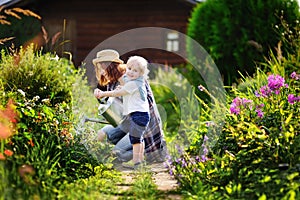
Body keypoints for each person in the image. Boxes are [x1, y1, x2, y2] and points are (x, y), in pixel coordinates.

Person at [92, 49, 167, 166]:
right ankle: (92, 157)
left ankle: (142, 156)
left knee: (116, 152)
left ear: (107, 66)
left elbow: (122, 99)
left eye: (103, 67)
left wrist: (107, 95)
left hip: (144, 126)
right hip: (128, 123)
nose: (102, 71)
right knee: (101, 133)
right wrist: (101, 97)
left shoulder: (131, 77)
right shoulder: (117, 79)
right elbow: (115, 107)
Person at [95, 55, 150, 169]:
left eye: (135, 71)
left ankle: (137, 162)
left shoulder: (135, 83)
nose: (130, 72)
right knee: (137, 139)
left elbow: (120, 93)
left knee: (136, 140)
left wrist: (104, 93)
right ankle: (139, 161)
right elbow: (124, 92)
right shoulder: (130, 81)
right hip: (135, 115)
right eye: (129, 69)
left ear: (141, 73)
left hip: (139, 115)